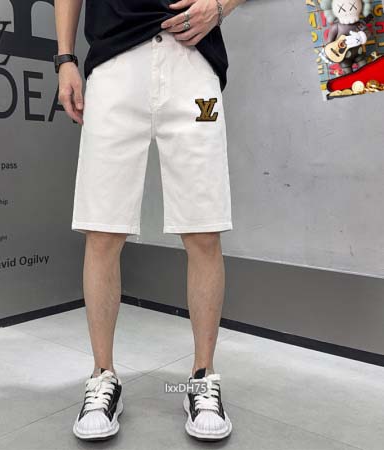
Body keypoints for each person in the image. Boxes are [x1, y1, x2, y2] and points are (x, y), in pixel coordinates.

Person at [53, 0, 245, 441]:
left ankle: (202, 378)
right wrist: (65, 58)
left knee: (204, 229)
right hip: (114, 64)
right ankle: (103, 376)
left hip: (193, 61)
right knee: (102, 229)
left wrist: (220, 6)